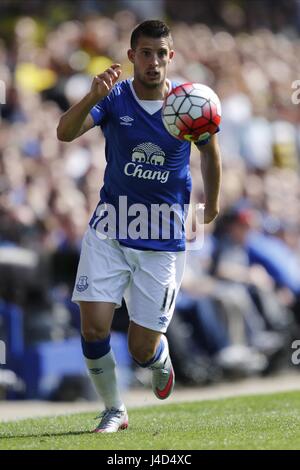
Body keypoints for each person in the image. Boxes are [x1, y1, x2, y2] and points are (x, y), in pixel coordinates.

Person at [57, 20, 221, 433]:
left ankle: (156, 357)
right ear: (132, 56)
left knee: (139, 347)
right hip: (110, 227)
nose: (153, 61)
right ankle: (114, 409)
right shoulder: (113, 98)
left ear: (172, 56)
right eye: (145, 53)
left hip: (161, 239)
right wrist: (90, 96)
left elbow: (210, 155)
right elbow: (64, 133)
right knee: (93, 327)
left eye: (161, 53)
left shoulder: (189, 103)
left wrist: (212, 204)